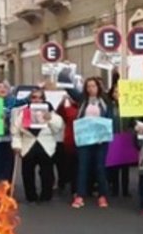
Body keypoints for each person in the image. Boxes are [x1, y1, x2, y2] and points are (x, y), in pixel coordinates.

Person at [11, 89, 64, 203]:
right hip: (28, 145)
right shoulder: (23, 112)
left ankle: (46, 196)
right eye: (34, 97)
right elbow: (16, 131)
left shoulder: (50, 112)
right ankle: (31, 196)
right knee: (27, 172)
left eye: (40, 98)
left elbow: (57, 128)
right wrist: (16, 145)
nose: (37, 100)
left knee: (47, 172)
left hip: (46, 145)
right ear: (30, 99)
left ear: (43, 99)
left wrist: (50, 119)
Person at [72, 78, 113, 209]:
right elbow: (68, 88)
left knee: (100, 167)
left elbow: (109, 119)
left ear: (98, 87)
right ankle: (80, 195)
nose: (91, 89)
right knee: (82, 167)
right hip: (85, 139)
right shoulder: (82, 101)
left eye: (93, 86)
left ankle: (102, 195)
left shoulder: (105, 101)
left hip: (101, 139)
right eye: (88, 86)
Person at [0, 80, 26, 182]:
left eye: (5, 87)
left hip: (9, 140)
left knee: (8, 168)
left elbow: (28, 101)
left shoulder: (13, 101)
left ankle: (6, 191)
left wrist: (38, 88)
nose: (2, 89)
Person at [107, 73, 131, 198]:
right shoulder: (109, 107)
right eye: (115, 91)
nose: (117, 94)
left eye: (120, 91)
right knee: (114, 165)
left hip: (126, 138)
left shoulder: (129, 106)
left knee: (125, 167)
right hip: (113, 138)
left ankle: (126, 190)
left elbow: (134, 121)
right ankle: (115, 189)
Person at [56, 90, 80, 197]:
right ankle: (74, 190)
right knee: (72, 166)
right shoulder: (68, 108)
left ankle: (81, 188)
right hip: (71, 141)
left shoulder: (86, 106)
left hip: (85, 140)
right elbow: (59, 114)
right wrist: (62, 103)